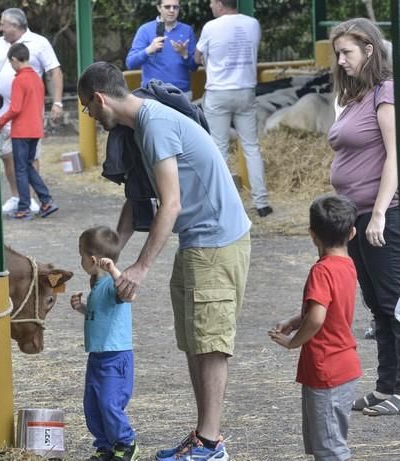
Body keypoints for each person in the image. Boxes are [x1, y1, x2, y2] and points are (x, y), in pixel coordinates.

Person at [78, 62, 251, 461]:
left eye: (88, 108)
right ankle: (202, 435)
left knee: (210, 344)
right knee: (194, 340)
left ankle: (211, 445)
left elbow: (170, 205)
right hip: (198, 240)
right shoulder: (139, 127)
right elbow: (138, 197)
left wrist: (139, 267)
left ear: (100, 99)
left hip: (217, 241)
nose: (90, 116)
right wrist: (113, 251)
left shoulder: (154, 125)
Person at [328, 17, 400, 417]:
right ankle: (386, 385)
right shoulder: (356, 96)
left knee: (393, 303)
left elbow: (395, 154)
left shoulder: (385, 93)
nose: (340, 61)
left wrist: (378, 215)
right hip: (354, 216)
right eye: (338, 53)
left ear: (369, 50)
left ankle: (399, 388)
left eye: (347, 53)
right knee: (376, 305)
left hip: (384, 215)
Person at [269, 194, 361, 461]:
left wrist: (293, 341)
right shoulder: (347, 265)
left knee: (331, 450)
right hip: (343, 366)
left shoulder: (321, 271)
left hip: (326, 371)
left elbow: (318, 318)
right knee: (328, 445)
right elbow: (326, 309)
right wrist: (295, 320)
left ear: (312, 234)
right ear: (353, 232)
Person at [194, 0, 272, 218]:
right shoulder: (253, 24)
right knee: (251, 147)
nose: (210, 6)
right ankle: (261, 202)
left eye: (211, 2)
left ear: (219, 4)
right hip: (245, 90)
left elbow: (197, 57)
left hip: (218, 92)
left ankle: (222, 203)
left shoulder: (211, 27)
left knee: (218, 148)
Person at [70, 226, 138, 461]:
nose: (80, 260)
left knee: (109, 403)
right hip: (97, 356)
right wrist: (82, 309)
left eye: (80, 255)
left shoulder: (113, 283)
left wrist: (115, 271)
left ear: (91, 259)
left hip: (115, 356)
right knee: (93, 405)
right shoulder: (97, 286)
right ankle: (105, 446)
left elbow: (129, 295)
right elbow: (102, 314)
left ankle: (126, 443)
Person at [0, 7, 63, 215]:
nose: (0, 28)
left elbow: (54, 71)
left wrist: (57, 103)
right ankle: (28, 198)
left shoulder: (38, 45)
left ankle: (29, 202)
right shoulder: (0, 45)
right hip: (15, 114)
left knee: (25, 163)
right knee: (12, 158)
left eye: (3, 24)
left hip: (21, 120)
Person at [125, 0, 198, 99]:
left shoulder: (187, 30)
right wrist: (149, 50)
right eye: (167, 7)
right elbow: (130, 63)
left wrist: (185, 54)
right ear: (159, 8)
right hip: (153, 94)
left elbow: (194, 67)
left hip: (181, 93)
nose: (172, 10)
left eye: (175, 7)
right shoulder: (145, 30)